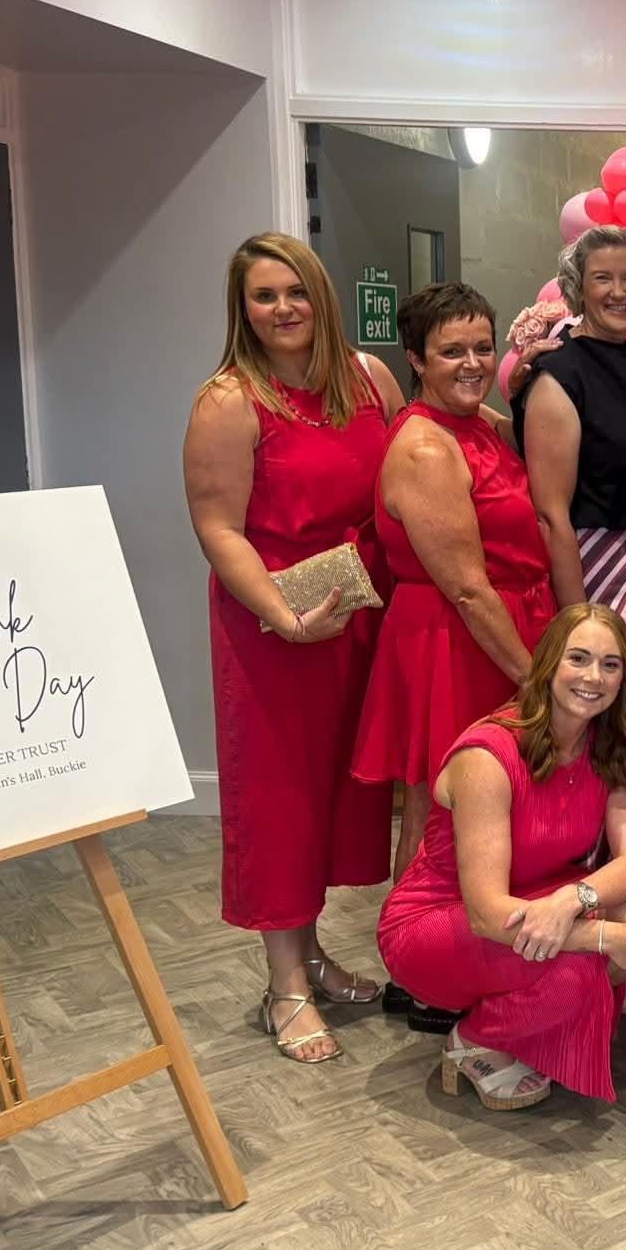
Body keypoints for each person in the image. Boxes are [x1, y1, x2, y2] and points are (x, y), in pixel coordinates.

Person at [183, 233, 405, 1064]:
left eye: (294, 292)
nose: (282, 310)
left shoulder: (369, 378)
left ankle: (312, 952)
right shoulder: (228, 400)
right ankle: (285, 986)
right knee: (278, 797)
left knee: (331, 794)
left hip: (355, 615)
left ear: (321, 293)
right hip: (273, 631)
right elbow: (216, 526)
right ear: (242, 310)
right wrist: (281, 611)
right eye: (263, 296)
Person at [379, 604, 626, 1108]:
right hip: (441, 919)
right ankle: (476, 1038)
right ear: (549, 663)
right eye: (578, 658)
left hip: (539, 897)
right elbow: (488, 913)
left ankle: (528, 1026)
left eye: (611, 664)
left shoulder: (607, 745)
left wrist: (571, 900)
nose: (593, 677)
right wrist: (602, 934)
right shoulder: (489, 756)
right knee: (582, 970)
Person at [352, 283, 556, 901]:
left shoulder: (480, 425)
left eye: (483, 348)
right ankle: (416, 947)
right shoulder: (424, 447)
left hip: (502, 620)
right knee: (441, 799)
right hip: (456, 636)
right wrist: (533, 677)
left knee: (495, 797)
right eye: (451, 352)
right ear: (416, 359)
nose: (472, 364)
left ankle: (475, 939)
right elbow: (468, 588)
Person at [511, 226, 626, 909]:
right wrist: (578, 619)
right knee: (608, 727)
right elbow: (552, 514)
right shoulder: (561, 375)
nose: (618, 290)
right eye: (602, 278)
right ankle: (593, 899)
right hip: (596, 566)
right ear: (575, 287)